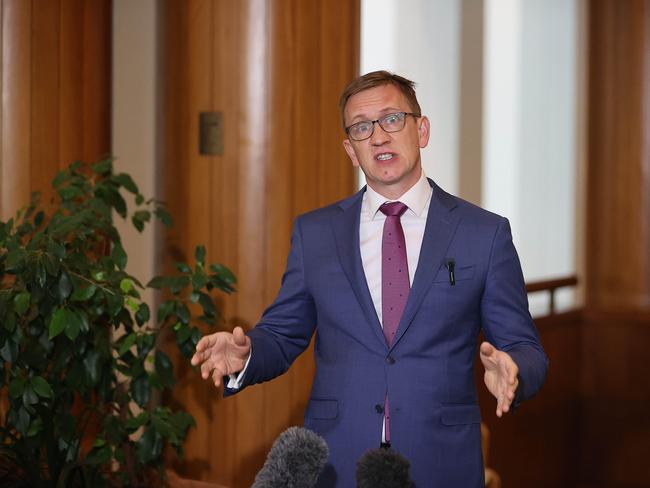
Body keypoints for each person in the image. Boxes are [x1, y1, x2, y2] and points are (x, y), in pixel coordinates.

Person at [191, 71, 548, 487]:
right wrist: (247, 354)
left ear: (422, 128)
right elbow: (283, 333)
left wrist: (515, 369)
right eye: (362, 127)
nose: (378, 136)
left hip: (440, 463)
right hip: (339, 461)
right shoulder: (316, 232)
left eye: (392, 119)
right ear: (350, 149)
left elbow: (526, 347)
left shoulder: (483, 233)